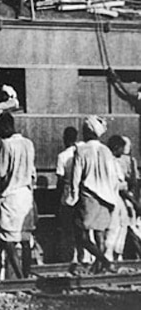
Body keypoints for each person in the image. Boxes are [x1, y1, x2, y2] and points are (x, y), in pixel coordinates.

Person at [0, 111, 35, 279]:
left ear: (4, 127)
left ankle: (20, 278)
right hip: (26, 194)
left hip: (12, 196)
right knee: (25, 239)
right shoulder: (28, 143)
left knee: (7, 240)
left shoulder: (6, 144)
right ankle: (27, 275)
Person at [66, 116, 118, 274]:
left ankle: (104, 261)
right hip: (107, 197)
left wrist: (72, 198)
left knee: (81, 234)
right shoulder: (106, 151)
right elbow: (113, 177)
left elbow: (75, 177)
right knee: (99, 233)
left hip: (89, 195)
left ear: (87, 131)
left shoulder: (81, 150)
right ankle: (99, 270)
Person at [55, 126, 88, 266]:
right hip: (84, 194)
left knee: (69, 228)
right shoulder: (83, 149)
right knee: (83, 227)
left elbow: (60, 181)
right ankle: (85, 256)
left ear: (65, 138)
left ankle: (73, 256)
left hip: (68, 196)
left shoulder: (62, 156)